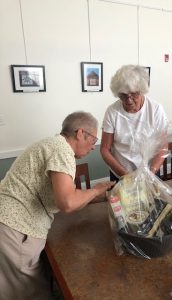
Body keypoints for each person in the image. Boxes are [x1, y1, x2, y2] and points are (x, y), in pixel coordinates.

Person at [0, 111, 115, 300]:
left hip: (7, 222)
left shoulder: (52, 145)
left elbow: (68, 195)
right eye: (93, 139)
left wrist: (101, 195)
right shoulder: (62, 150)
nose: (93, 146)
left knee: (11, 286)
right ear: (80, 133)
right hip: (17, 227)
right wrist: (96, 190)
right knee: (28, 292)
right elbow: (68, 203)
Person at [100, 64, 168, 182]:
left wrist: (150, 173)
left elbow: (163, 146)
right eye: (123, 95)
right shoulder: (112, 112)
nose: (129, 100)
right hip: (120, 173)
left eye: (134, 94)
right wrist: (125, 175)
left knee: (152, 200)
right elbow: (105, 149)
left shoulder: (156, 109)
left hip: (150, 173)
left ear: (142, 90)